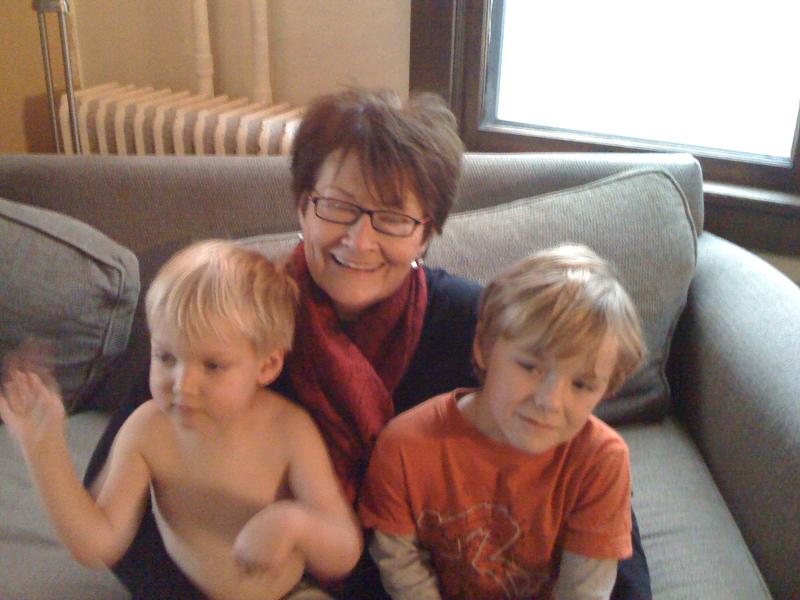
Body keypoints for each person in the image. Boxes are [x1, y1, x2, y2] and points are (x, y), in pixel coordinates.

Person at [85, 88, 652, 599]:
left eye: (393, 217)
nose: (360, 241)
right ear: (302, 206)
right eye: (337, 206)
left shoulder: (476, 327)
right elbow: (116, 497)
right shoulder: (234, 314)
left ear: (427, 233)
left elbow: (588, 480)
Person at [1, 240, 362, 600]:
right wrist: (43, 449)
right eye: (166, 357)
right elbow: (99, 545)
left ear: (267, 365)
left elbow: (344, 552)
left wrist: (293, 524)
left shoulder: (288, 429)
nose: (182, 384)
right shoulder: (148, 430)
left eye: (213, 365)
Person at [358, 244, 646, 599]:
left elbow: (584, 591)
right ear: (484, 347)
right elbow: (399, 564)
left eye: (582, 385)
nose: (549, 402)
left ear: (608, 389)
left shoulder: (602, 460)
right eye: (530, 366)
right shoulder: (404, 447)